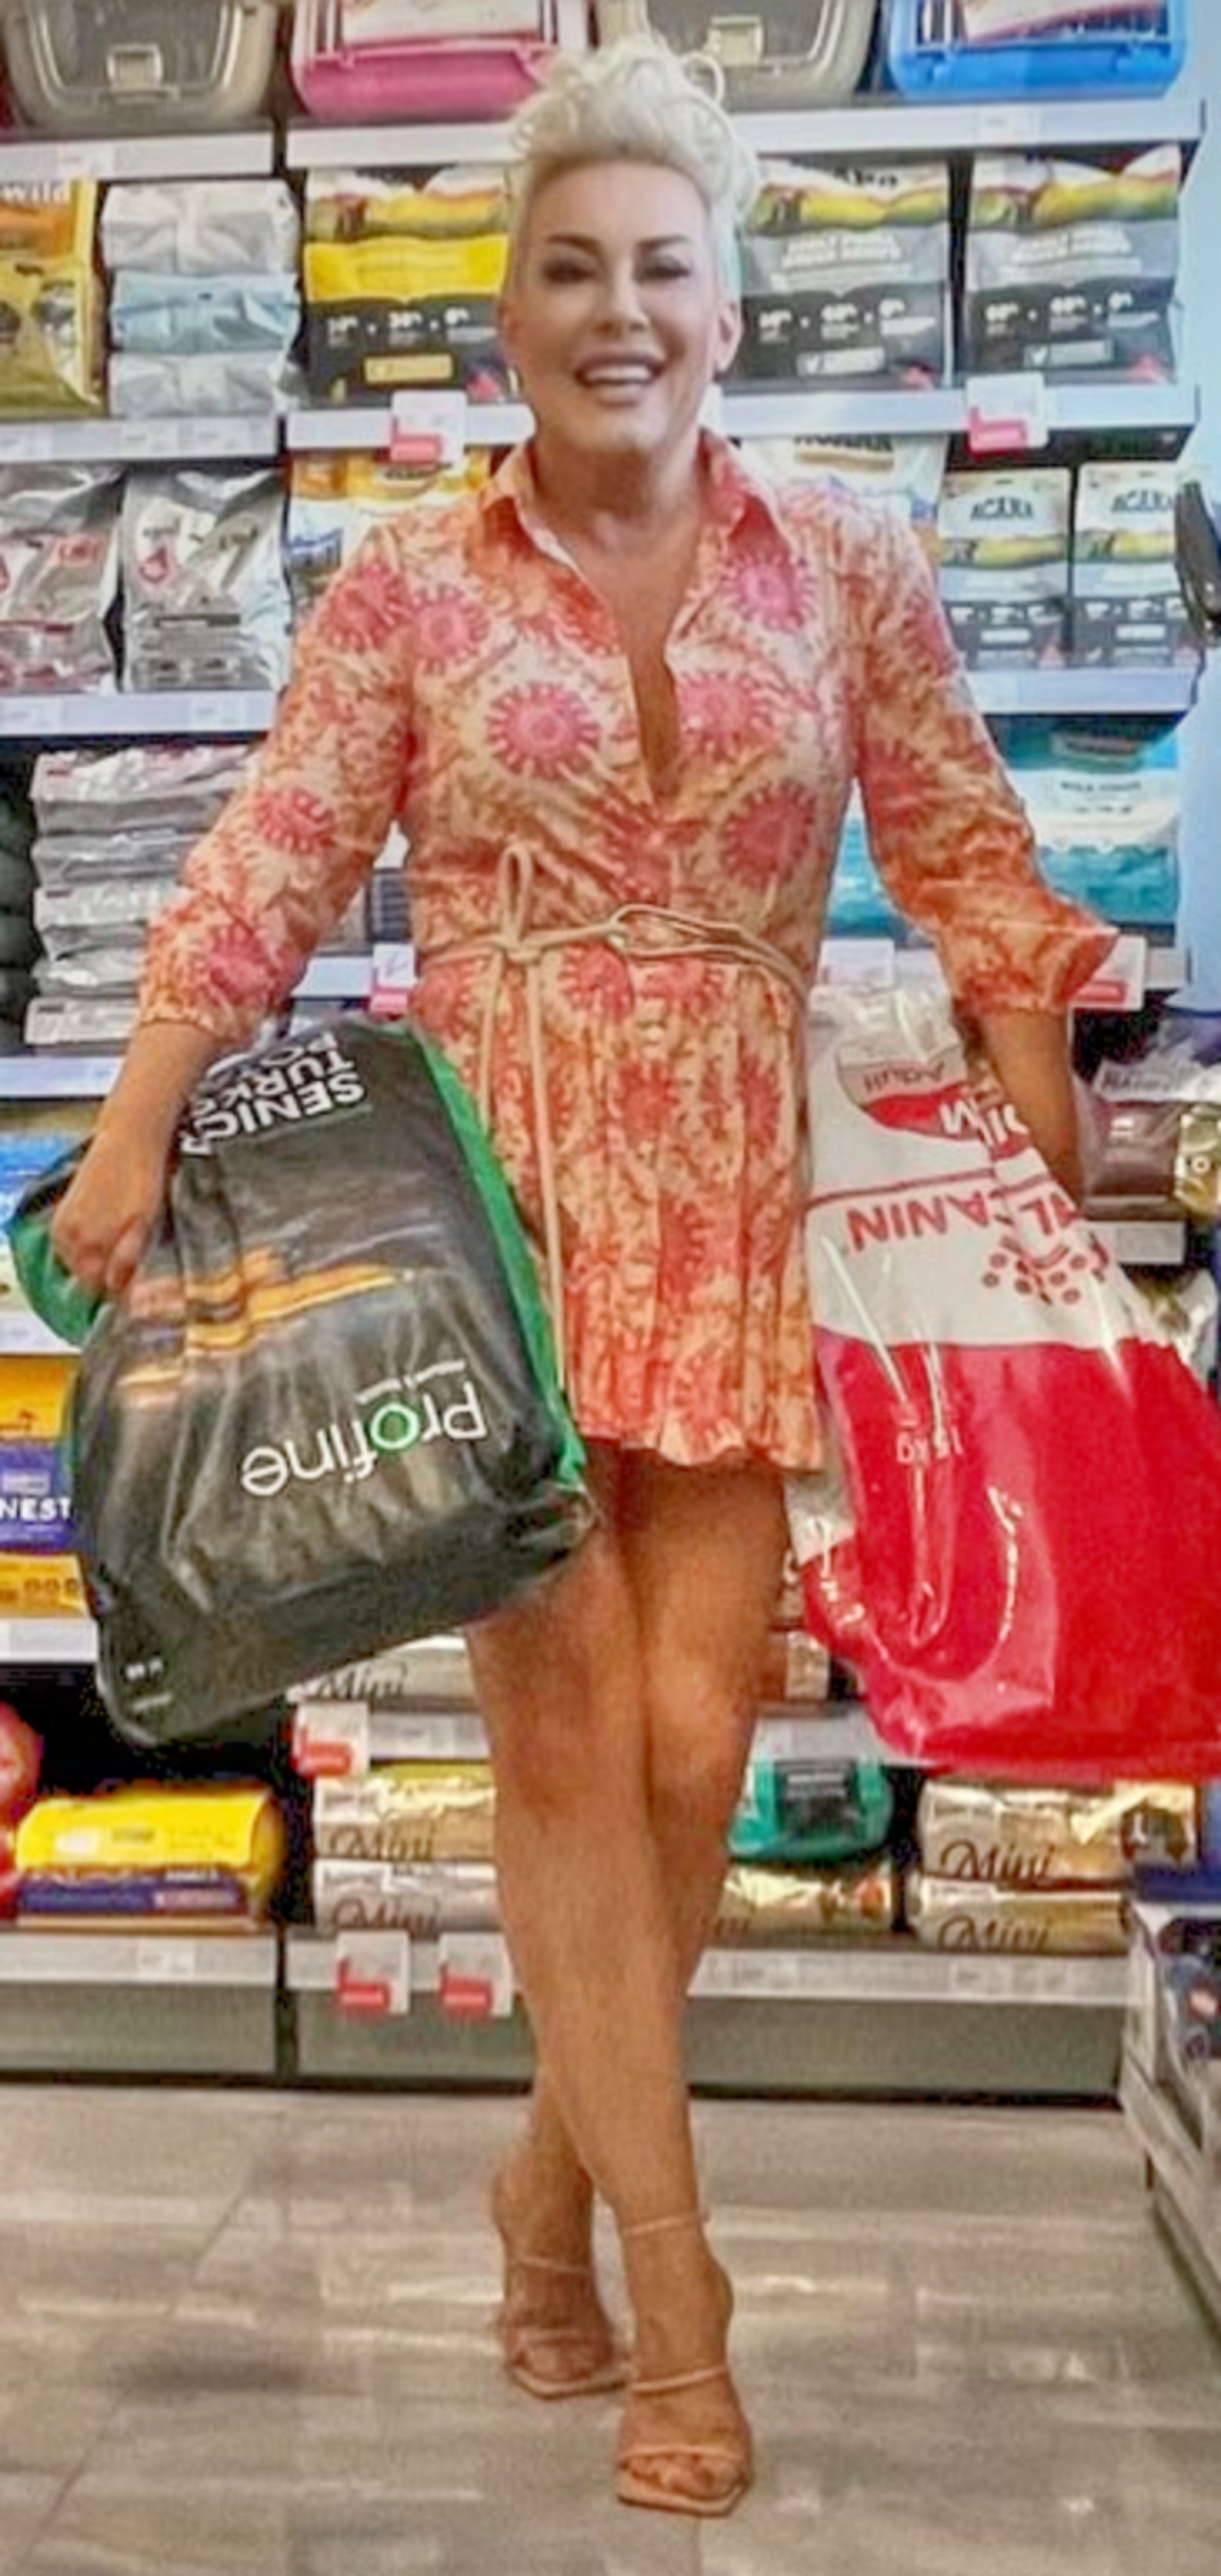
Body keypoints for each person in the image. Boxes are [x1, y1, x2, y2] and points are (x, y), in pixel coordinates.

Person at [49, 38, 1114, 2521]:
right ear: (508, 315)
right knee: (561, 1751)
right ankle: (675, 2294)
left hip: (734, 1192)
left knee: (691, 1749)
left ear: (726, 309)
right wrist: (133, 1115)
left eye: (660, 268)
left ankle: (540, 2187)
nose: (616, 309)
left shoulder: (846, 559)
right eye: (568, 270)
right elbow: (271, 852)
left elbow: (963, 834)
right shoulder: (412, 583)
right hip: (486, 1235)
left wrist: (1035, 1053)